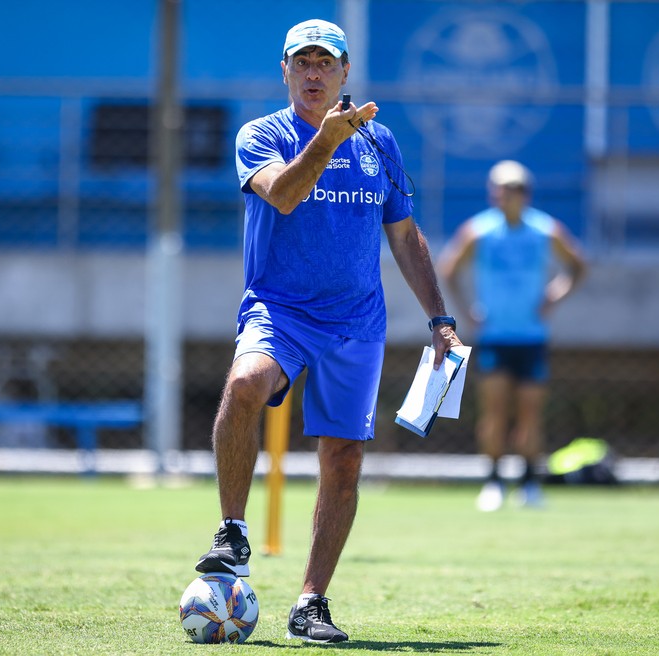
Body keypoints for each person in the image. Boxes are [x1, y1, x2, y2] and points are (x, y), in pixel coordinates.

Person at [194, 19, 461, 644]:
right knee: (244, 384)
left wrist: (440, 318)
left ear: (345, 73)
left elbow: (403, 233)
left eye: (326, 62)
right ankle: (233, 533)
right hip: (280, 309)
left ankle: (311, 602)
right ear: (285, 72)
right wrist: (326, 143)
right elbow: (283, 196)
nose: (314, 72)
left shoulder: (380, 141)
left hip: (356, 320)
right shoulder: (260, 135)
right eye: (302, 62)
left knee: (343, 459)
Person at [438, 160, 585, 512]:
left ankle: (530, 481)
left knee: (531, 413)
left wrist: (555, 296)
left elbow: (577, 266)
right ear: (494, 193)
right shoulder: (479, 231)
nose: (509, 195)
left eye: (516, 188)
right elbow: (449, 269)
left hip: (531, 337)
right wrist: (467, 311)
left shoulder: (544, 230)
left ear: (527, 193)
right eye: (503, 189)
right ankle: (493, 480)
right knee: (494, 412)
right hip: (495, 336)